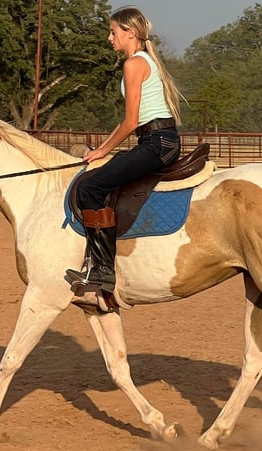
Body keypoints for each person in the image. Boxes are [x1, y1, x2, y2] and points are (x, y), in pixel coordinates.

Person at [66, 6, 182, 297]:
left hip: (157, 142)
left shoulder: (134, 64)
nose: (109, 38)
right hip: (157, 141)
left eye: (113, 31)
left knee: (90, 187)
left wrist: (101, 150)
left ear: (130, 33)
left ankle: (103, 270)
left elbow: (130, 122)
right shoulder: (143, 61)